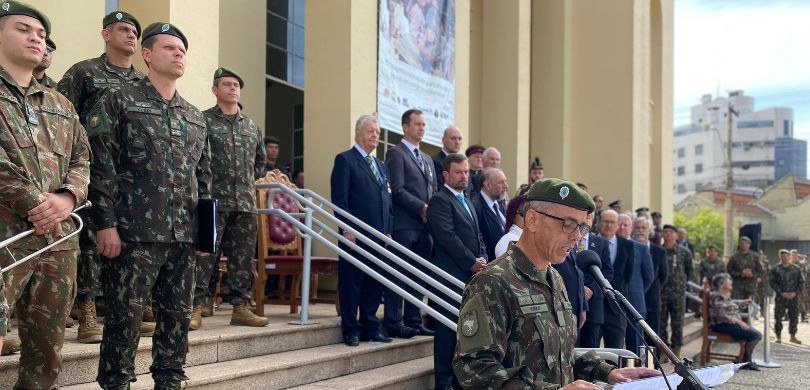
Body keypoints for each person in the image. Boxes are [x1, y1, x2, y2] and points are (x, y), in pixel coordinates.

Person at [87, 22, 212, 388]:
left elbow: (204, 179)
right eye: (169, 48)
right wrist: (105, 223)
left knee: (177, 319)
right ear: (147, 54)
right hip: (132, 234)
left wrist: (205, 235)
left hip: (183, 238)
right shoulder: (119, 100)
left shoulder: (195, 116)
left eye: (182, 50)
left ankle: (170, 381)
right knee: (124, 320)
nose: (178, 54)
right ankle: (116, 383)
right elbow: (101, 164)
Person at [453, 178, 660, 388]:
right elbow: (475, 370)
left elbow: (560, 356)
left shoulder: (554, 278)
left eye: (582, 228)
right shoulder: (493, 282)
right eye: (568, 225)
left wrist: (607, 372)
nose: (577, 236)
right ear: (532, 220)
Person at [0, 2, 91, 387]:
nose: (36, 38)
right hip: (7, 237)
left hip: (57, 241)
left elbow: (82, 158)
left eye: (41, 33)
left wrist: (68, 198)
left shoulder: (60, 104)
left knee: (46, 351)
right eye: (23, 29)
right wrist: (38, 204)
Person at [57, 9, 148, 344]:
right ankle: (87, 311)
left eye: (135, 32)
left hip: (133, 179)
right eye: (123, 29)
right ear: (106, 34)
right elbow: (60, 117)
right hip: (92, 170)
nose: (131, 36)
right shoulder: (84, 72)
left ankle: (126, 308)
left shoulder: (143, 82)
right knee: (91, 242)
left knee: (129, 242)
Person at [190, 68, 268, 331]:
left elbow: (260, 163)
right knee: (205, 258)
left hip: (244, 204)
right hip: (212, 202)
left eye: (236, 85)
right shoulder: (203, 121)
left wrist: (243, 184)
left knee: (242, 259)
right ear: (215, 90)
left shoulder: (251, 126)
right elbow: (195, 159)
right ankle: (196, 307)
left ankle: (241, 308)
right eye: (227, 84)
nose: (233, 88)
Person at [330, 115, 393, 346]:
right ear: (358, 134)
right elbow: (340, 200)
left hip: (378, 236)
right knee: (351, 284)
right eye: (370, 131)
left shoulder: (381, 166)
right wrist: (346, 228)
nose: (375, 135)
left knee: (374, 284)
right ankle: (351, 330)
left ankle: (370, 327)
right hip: (354, 236)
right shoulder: (345, 160)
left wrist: (388, 230)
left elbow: (388, 201)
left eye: (377, 132)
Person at [426, 153, 487, 389]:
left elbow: (477, 235)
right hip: (449, 275)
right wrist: (471, 261)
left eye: (466, 172)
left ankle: (459, 379)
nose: (464, 176)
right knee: (446, 331)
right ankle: (443, 381)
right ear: (446, 175)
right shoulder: (439, 201)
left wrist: (483, 259)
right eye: (459, 172)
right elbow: (447, 237)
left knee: (465, 330)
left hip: (470, 275)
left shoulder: (468, 201)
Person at [383, 108, 436, 338]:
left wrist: (431, 210)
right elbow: (397, 190)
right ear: (405, 127)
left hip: (425, 227)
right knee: (399, 273)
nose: (421, 128)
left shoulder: (427, 159)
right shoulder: (396, 153)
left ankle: (413, 320)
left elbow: (433, 191)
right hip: (405, 224)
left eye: (424, 124)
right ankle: (394, 321)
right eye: (417, 124)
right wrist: (421, 207)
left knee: (419, 275)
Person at [597, 210, 634, 349]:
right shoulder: (589, 242)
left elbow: (628, 275)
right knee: (590, 352)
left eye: (612, 222)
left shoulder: (627, 245)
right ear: (598, 223)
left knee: (615, 352)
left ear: (617, 224)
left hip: (617, 308)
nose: (608, 225)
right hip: (594, 305)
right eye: (605, 221)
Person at [709, 273, 762, 371]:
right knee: (755, 335)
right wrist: (739, 322)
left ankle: (745, 360)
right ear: (721, 284)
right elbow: (721, 315)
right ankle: (746, 361)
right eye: (728, 280)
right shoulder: (717, 296)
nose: (730, 282)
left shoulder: (723, 295)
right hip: (721, 325)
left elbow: (729, 305)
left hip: (727, 324)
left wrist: (741, 302)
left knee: (754, 334)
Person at [576, 212, 613, 349]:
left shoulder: (601, 243)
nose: (585, 220)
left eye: (588, 217)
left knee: (591, 352)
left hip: (594, 308)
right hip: (572, 305)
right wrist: (579, 288)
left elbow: (608, 272)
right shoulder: (566, 240)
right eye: (583, 216)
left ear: (593, 221)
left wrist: (591, 289)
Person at [659, 224, 693, 358]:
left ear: (676, 235)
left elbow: (689, 272)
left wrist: (680, 284)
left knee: (677, 324)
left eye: (671, 232)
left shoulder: (684, 252)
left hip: (678, 295)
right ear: (662, 234)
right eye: (665, 232)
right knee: (661, 324)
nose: (668, 234)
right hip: (661, 294)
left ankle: (676, 351)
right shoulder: (658, 250)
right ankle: (663, 351)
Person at [622, 213, 653, 354]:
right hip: (610, 304)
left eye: (626, 225)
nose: (622, 227)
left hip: (635, 302)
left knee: (634, 345)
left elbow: (649, 277)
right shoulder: (605, 244)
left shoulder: (641, 248)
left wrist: (637, 291)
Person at [634, 216, 667, 342]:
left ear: (650, 231)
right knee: (635, 340)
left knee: (653, 339)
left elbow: (663, 276)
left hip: (652, 302)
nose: (640, 230)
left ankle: (654, 357)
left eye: (644, 228)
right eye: (638, 228)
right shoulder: (628, 247)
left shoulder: (659, 251)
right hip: (633, 302)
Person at [471, 167, 508, 260]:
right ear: (487, 185)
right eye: (501, 182)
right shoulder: (475, 207)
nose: (506, 186)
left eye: (505, 181)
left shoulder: (501, 204)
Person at [770, 249, 804, 344]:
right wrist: (781, 292)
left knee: (794, 316)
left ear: (790, 257)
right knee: (778, 317)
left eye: (787, 256)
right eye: (783, 256)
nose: (785, 258)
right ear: (780, 257)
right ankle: (778, 336)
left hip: (793, 297)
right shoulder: (775, 269)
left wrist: (795, 293)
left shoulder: (796, 268)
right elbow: (772, 282)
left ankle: (793, 336)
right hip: (781, 297)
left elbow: (801, 282)